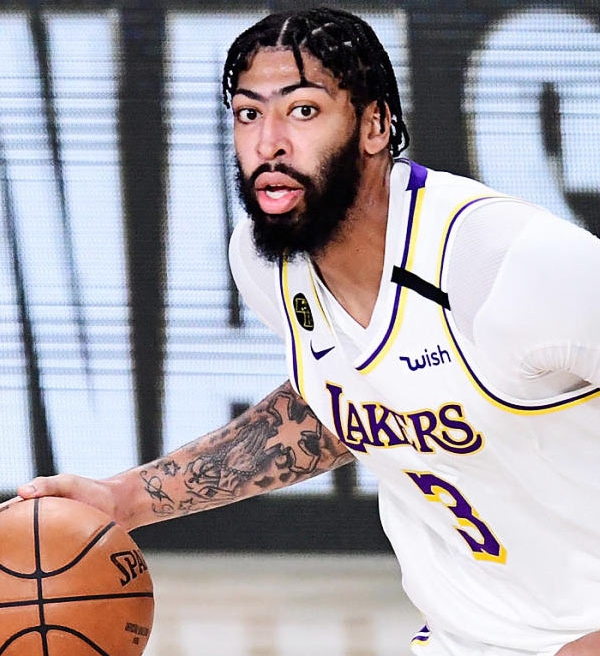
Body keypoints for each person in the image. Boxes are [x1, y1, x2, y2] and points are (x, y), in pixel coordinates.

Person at [14, 7, 600, 656]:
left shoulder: (514, 265)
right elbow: (346, 406)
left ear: (375, 125)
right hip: (465, 639)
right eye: (248, 114)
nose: (268, 142)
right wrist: (127, 498)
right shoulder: (265, 262)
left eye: (302, 111)